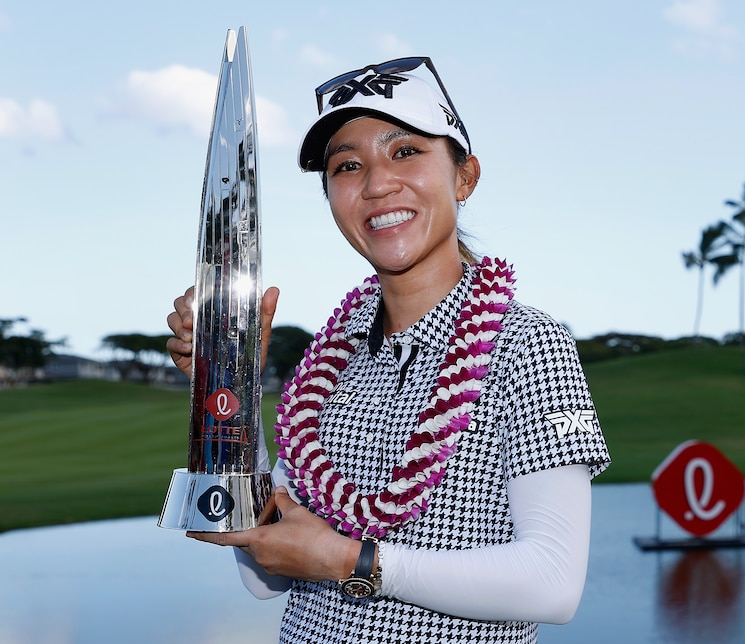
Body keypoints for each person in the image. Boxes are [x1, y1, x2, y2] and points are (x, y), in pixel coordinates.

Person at [166, 56, 610, 644]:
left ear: (464, 176)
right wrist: (230, 392)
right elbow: (264, 578)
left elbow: (553, 583)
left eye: (405, 152)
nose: (377, 184)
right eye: (347, 165)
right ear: (330, 197)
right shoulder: (328, 365)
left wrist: (351, 561)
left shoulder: (527, 343)